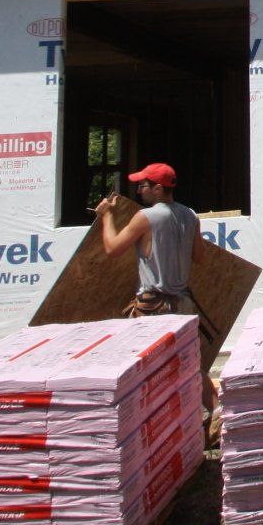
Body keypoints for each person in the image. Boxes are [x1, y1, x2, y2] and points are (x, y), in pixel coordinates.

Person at [96, 161, 215, 412]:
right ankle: (216, 413)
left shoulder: (146, 217)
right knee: (192, 363)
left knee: (148, 368)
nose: (139, 191)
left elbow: (112, 248)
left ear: (158, 189)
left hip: (154, 307)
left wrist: (106, 216)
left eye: (143, 185)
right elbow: (201, 257)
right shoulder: (190, 215)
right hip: (183, 304)